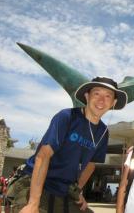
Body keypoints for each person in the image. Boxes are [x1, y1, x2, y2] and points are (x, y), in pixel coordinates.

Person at [8, 76, 127, 213]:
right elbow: (43, 156)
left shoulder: (103, 132)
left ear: (113, 102)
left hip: (64, 188)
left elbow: (90, 165)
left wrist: (78, 191)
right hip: (34, 184)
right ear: (87, 96)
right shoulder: (67, 117)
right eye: (97, 93)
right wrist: (33, 203)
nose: (101, 100)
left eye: (108, 96)